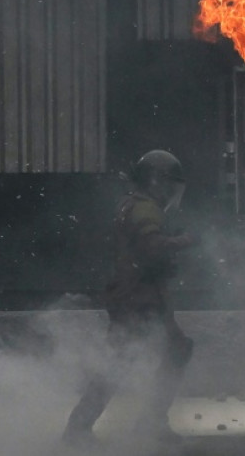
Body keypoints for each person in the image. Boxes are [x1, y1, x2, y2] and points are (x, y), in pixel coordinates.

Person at [63, 149, 196, 448]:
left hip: (133, 296)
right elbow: (152, 249)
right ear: (155, 181)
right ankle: (139, 425)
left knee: (137, 357)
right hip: (140, 299)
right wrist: (184, 241)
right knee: (150, 356)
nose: (171, 193)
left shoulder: (131, 204)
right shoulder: (146, 209)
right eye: (168, 184)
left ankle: (85, 426)